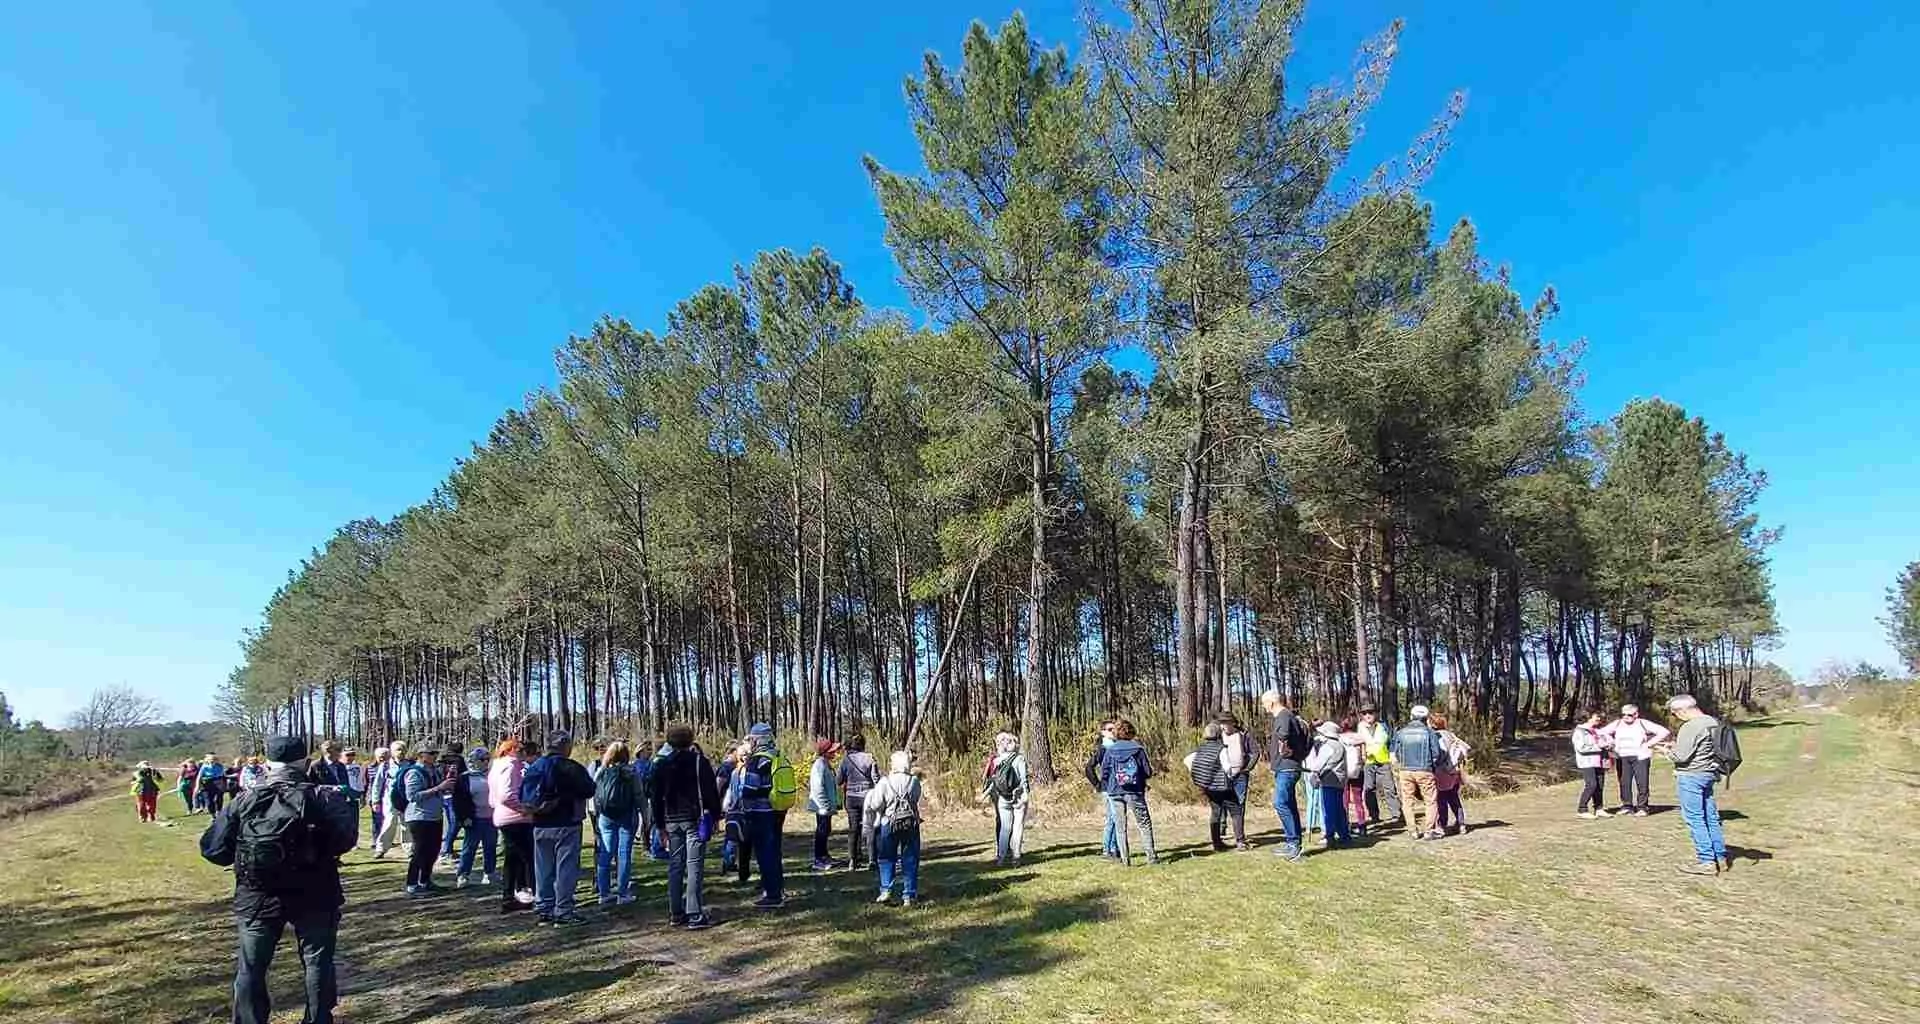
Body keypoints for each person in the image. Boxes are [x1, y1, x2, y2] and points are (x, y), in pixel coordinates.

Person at [199, 734, 357, 1024]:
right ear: (305, 763)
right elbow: (346, 840)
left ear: (266, 763)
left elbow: (214, 850)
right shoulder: (323, 797)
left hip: (258, 893)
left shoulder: (245, 799)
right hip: (316, 890)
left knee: (251, 967)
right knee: (318, 961)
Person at [651, 722, 723, 929]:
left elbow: (656, 797)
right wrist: (715, 816)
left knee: (675, 865)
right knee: (694, 866)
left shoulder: (662, 764)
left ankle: (676, 912)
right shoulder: (699, 761)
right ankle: (694, 913)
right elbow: (710, 791)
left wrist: (659, 825)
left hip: (671, 820)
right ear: (690, 740)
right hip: (694, 818)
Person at [526, 730, 595, 924]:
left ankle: (544, 908)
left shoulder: (535, 766)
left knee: (543, 869)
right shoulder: (572, 767)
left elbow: (524, 794)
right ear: (565, 746)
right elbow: (589, 789)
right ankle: (563, 909)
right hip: (567, 823)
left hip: (540, 823)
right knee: (566, 869)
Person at [1663, 694, 1730, 875]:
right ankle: (1720, 857)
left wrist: (1666, 751)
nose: (1676, 716)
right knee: (1711, 817)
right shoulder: (1712, 721)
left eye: (1675, 713)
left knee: (1695, 818)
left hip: (1691, 775)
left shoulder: (1691, 726)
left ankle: (1706, 861)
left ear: (1683, 710)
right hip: (1709, 773)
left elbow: (1681, 757)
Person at [738, 723, 788, 909]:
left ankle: (772, 895)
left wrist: (742, 803)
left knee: (764, 853)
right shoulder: (777, 755)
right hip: (777, 809)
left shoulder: (757, 760)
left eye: (751, 739)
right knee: (774, 851)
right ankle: (778, 889)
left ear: (757, 740)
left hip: (759, 812)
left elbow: (750, 788)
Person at [866, 750, 924, 907]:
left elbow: (875, 804)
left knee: (886, 857)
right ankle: (909, 894)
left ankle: (886, 890)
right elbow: (916, 799)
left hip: (888, 822)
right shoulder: (914, 781)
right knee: (910, 858)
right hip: (910, 822)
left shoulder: (885, 782)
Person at [1260, 690, 1311, 861]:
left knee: (1280, 803)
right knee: (1289, 804)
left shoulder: (1283, 717)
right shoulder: (1287, 716)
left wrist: (1283, 753)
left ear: (1271, 702)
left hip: (1287, 767)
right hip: (1287, 767)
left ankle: (1294, 845)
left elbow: (1284, 737)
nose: (1264, 707)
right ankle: (1292, 842)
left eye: (1264, 703)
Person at [1099, 718, 1157, 865]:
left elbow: (1104, 772)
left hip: (1114, 791)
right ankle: (1151, 857)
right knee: (1144, 823)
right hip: (1135, 791)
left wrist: (1108, 782)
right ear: (1131, 732)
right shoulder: (1138, 749)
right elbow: (1148, 771)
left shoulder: (1110, 750)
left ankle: (1125, 860)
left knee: (1120, 827)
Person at [489, 737, 537, 913]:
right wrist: (523, 808)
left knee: (513, 859)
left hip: (504, 816)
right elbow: (506, 795)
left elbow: (493, 798)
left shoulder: (496, 766)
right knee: (527, 859)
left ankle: (511, 896)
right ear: (510, 750)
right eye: (520, 749)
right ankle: (533, 895)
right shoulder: (510, 766)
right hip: (516, 818)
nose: (524, 752)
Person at [401, 747, 458, 896]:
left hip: (435, 816)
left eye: (436, 753)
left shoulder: (435, 770)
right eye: (431, 753)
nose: (435, 756)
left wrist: (447, 782)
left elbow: (440, 790)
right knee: (420, 851)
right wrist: (439, 787)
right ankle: (412, 884)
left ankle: (425, 881)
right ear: (421, 755)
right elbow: (412, 796)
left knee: (433, 851)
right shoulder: (414, 772)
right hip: (419, 817)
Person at [593, 740, 642, 906]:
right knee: (624, 854)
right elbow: (639, 795)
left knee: (605, 853)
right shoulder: (631, 773)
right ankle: (622, 893)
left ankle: (604, 893)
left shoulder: (601, 771)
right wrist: (645, 815)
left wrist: (597, 813)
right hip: (627, 815)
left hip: (606, 816)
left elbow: (595, 794)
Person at [1601, 704, 1671, 816]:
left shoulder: (1643, 723)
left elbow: (1664, 731)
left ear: (1636, 714)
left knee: (1642, 782)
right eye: (1623, 714)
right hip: (1622, 756)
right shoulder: (1617, 724)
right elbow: (1601, 732)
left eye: (1629, 715)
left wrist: (1649, 744)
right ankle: (1627, 806)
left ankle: (1642, 807)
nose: (1625, 717)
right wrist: (1610, 742)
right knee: (1624, 782)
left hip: (1640, 757)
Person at [1390, 705, 1445, 840]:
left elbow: (1395, 752)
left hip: (1405, 771)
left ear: (1411, 717)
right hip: (1425, 770)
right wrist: (1432, 766)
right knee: (1430, 801)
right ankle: (1428, 831)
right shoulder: (1429, 733)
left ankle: (1412, 831)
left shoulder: (1401, 732)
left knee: (1407, 801)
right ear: (1426, 718)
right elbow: (1436, 753)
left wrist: (1401, 765)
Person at [1183, 723, 1241, 851]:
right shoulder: (1221, 749)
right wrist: (1232, 776)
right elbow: (1227, 768)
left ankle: (1217, 844)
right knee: (1236, 811)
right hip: (1223, 786)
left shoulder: (1200, 749)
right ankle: (1240, 841)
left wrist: (1198, 773)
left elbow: (1187, 760)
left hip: (1209, 787)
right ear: (1219, 734)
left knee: (1216, 813)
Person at [1303, 721, 1353, 849]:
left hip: (1330, 780)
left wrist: (1314, 774)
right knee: (1339, 809)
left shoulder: (1328, 746)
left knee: (1329, 810)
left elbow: (1319, 764)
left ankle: (1329, 836)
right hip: (1340, 781)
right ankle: (1344, 836)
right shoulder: (1340, 745)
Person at [984, 731, 1029, 865]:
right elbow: (1023, 779)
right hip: (1018, 797)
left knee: (1004, 828)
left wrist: (985, 794)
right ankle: (1016, 856)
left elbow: (993, 780)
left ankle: (1001, 857)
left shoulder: (997, 760)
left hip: (1003, 797)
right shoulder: (1019, 759)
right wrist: (1025, 794)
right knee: (1017, 827)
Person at [836, 734, 880, 870]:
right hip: (868, 797)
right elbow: (876, 779)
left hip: (851, 798)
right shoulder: (870, 758)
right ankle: (872, 860)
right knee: (870, 827)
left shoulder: (846, 760)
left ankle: (852, 860)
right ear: (863, 745)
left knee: (853, 829)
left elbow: (839, 780)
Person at [456, 747, 497, 888]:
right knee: (469, 848)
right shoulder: (464, 778)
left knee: (490, 846)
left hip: (491, 818)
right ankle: (463, 875)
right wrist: (464, 817)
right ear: (474, 761)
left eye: (487, 759)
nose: (486, 762)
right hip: (473, 818)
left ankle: (489, 873)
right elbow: (459, 801)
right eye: (482, 759)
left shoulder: (493, 775)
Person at [1081, 720, 1121, 859]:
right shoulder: (1103, 749)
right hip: (1108, 788)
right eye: (1110, 729)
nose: (1113, 731)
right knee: (1113, 818)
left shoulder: (1118, 746)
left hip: (1118, 787)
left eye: (1114, 729)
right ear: (1103, 732)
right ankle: (1108, 849)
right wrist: (1097, 784)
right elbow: (1089, 768)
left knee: (1116, 817)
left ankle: (1114, 848)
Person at [1217, 715, 1256, 850]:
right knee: (1221, 804)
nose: (1223, 726)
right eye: (1222, 723)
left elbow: (1255, 752)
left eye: (1226, 723)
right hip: (1223, 775)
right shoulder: (1218, 736)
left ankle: (1240, 838)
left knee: (1239, 805)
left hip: (1240, 775)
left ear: (1233, 723)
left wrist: (1247, 768)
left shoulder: (1243, 735)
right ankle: (1221, 831)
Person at [1356, 707, 1401, 826]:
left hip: (1384, 761)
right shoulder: (1359, 727)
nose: (1367, 715)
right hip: (1368, 762)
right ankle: (1374, 815)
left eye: (1370, 712)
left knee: (1389, 788)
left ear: (1375, 714)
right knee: (1369, 789)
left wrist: (1392, 754)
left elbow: (1392, 740)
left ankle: (1396, 814)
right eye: (1364, 713)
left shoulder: (1383, 726)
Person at [370, 741, 413, 857]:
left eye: (403, 749)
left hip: (406, 799)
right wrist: (375, 800)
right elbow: (377, 784)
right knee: (389, 822)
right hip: (390, 799)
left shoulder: (411, 765)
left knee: (407, 824)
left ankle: (409, 848)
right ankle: (381, 848)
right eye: (398, 749)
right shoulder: (385, 766)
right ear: (392, 752)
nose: (401, 752)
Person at [1430, 713, 1470, 836]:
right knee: (1454, 798)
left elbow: (1438, 755)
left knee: (1441, 799)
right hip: (1455, 772)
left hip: (1442, 772)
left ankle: (1442, 825)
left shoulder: (1436, 737)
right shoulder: (1451, 735)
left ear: (1433, 724)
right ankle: (1461, 824)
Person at [807, 739, 843, 871]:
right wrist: (825, 805)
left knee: (826, 830)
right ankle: (819, 859)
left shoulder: (825, 764)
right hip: (822, 807)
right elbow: (818, 788)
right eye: (832, 751)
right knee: (822, 832)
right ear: (825, 752)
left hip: (826, 807)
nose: (834, 753)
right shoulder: (819, 765)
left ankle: (825, 855)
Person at [1572, 710, 1614, 819]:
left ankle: (1599, 809)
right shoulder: (1579, 731)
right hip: (1587, 762)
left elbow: (1608, 740)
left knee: (1599, 786)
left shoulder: (1598, 730)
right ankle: (1582, 809)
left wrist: (1609, 744)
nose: (1599, 718)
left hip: (1600, 762)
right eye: (1596, 716)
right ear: (1588, 718)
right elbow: (1581, 748)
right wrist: (1599, 746)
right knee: (1591, 785)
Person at [1337, 717, 1369, 836]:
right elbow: (1364, 757)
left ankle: (1345, 825)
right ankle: (1362, 825)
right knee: (1358, 799)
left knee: (1344, 800)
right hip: (1357, 771)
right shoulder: (1360, 738)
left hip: (1344, 771)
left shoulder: (1339, 738)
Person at [366, 747, 391, 849]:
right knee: (377, 820)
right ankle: (376, 840)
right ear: (376, 757)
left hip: (387, 796)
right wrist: (367, 797)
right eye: (380, 757)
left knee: (387, 819)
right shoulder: (369, 767)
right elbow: (366, 782)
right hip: (374, 797)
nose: (382, 759)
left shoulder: (391, 767)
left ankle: (385, 840)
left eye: (385, 756)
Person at [340, 748, 366, 814]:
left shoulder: (357, 767)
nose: (350, 757)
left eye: (353, 754)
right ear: (342, 755)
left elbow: (360, 781)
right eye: (348, 755)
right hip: (341, 793)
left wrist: (362, 795)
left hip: (354, 793)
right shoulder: (337, 766)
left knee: (353, 815)